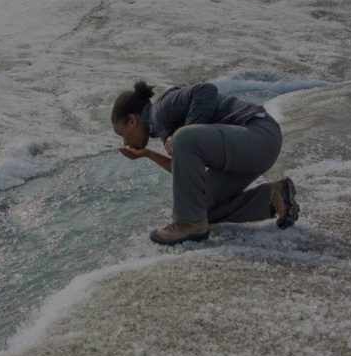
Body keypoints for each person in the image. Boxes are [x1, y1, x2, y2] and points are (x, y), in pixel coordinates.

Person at [112, 80, 300, 245]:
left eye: (122, 134)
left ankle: (188, 224)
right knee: (200, 206)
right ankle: (274, 196)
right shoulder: (164, 128)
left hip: (259, 134)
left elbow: (205, 90)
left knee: (183, 139)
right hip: (250, 150)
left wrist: (185, 131)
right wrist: (148, 154)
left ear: (132, 121)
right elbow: (186, 171)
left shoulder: (162, 109)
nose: (125, 142)